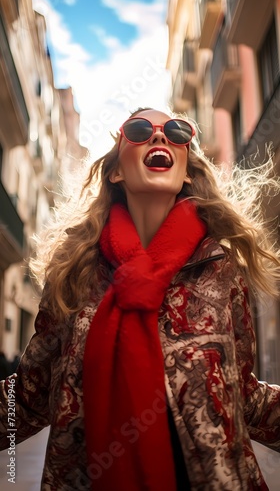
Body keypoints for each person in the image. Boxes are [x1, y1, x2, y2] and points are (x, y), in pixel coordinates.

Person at [0, 107, 280, 490]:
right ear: (116, 171)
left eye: (177, 132)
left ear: (186, 171)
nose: (160, 137)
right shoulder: (74, 274)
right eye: (139, 129)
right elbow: (29, 396)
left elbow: (241, 394)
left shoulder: (219, 268)